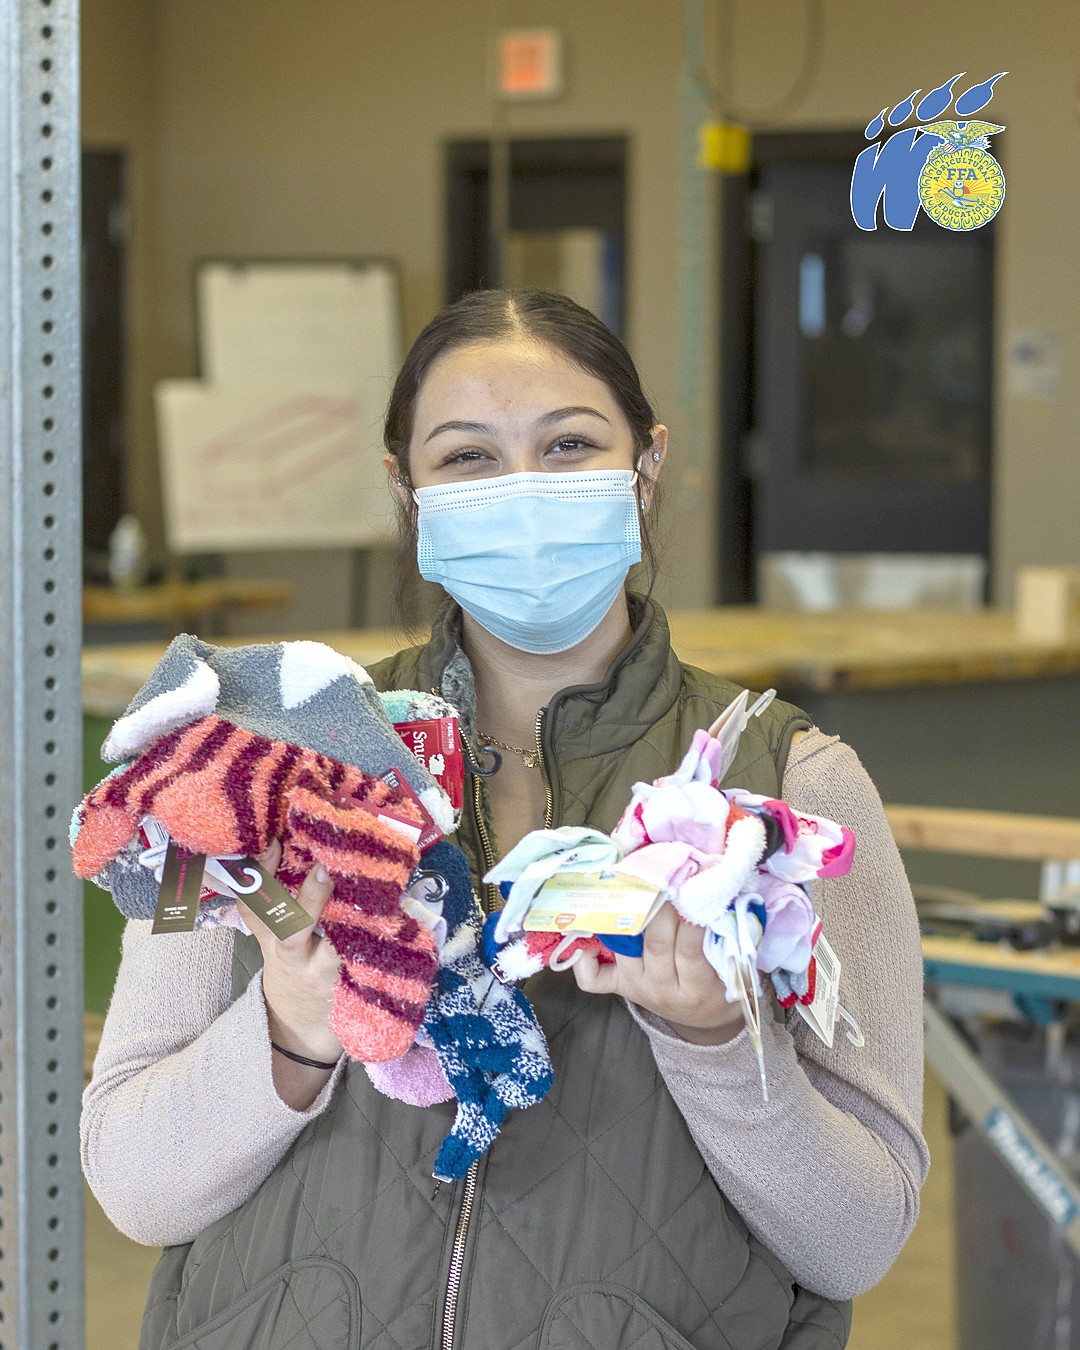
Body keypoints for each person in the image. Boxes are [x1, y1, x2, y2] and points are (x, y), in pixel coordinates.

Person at [82, 290, 928, 1350]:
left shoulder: (791, 795)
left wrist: (715, 1041)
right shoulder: (262, 756)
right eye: (469, 458)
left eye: (569, 443)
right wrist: (291, 1033)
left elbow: (858, 1240)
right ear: (408, 489)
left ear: (646, 466)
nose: (523, 488)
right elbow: (131, 1182)